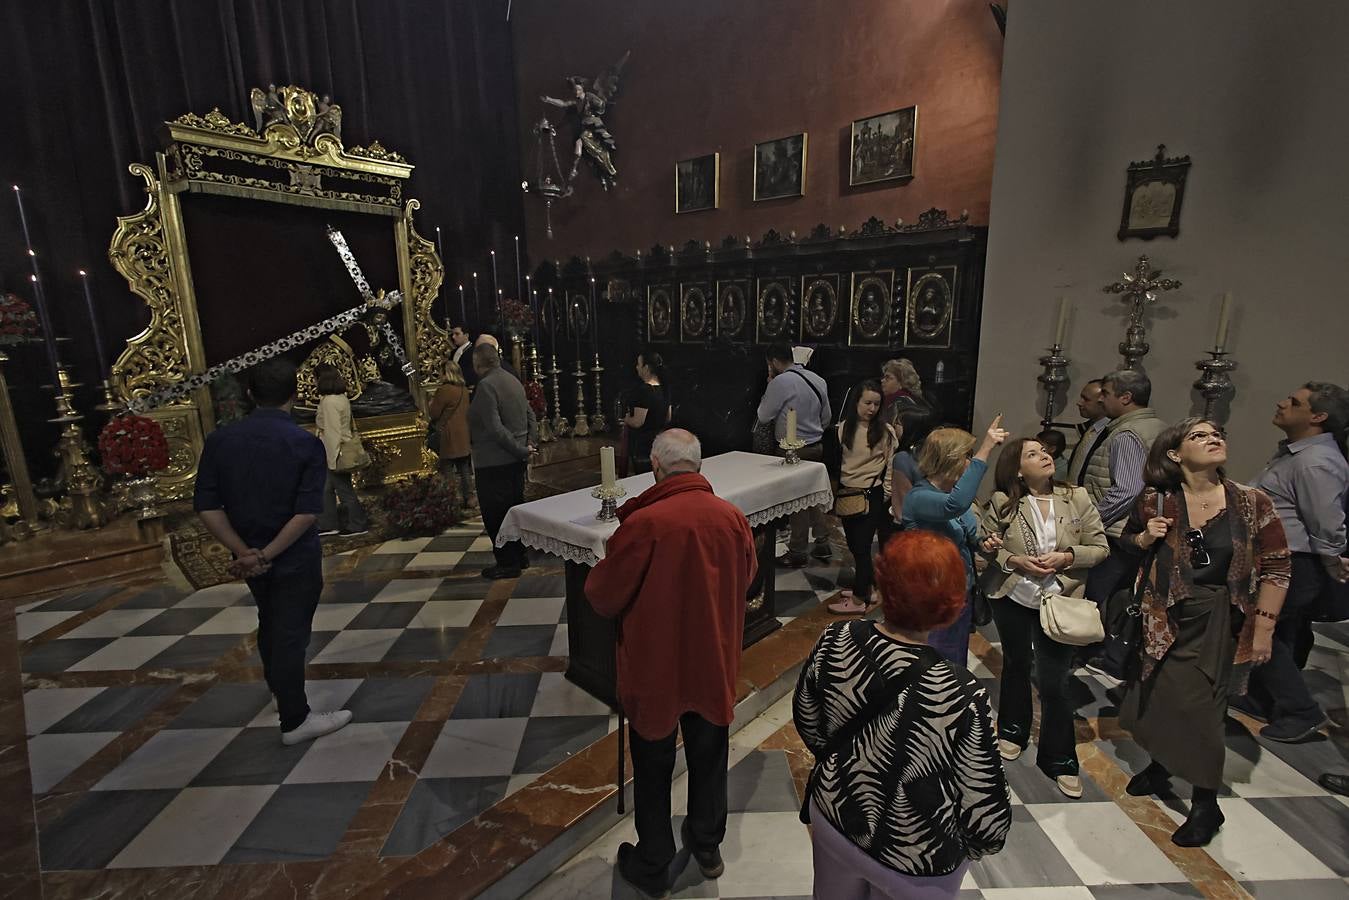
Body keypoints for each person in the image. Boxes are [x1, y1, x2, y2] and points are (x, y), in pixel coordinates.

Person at [585, 429, 758, 897]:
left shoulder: (645, 525)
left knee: (655, 761)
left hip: (657, 666)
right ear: (698, 467)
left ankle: (655, 857)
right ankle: (707, 846)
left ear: (657, 468)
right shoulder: (731, 517)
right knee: (709, 755)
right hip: (711, 660)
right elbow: (748, 578)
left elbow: (602, 597)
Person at [794, 530, 1011, 900]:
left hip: (834, 817)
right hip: (915, 857)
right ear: (954, 603)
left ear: (884, 583)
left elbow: (808, 721)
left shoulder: (835, 639)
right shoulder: (961, 692)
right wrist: (964, 851)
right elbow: (986, 813)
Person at [1118, 418, 1290, 847]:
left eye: (1217, 434)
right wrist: (1144, 538)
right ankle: (1162, 764)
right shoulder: (1157, 500)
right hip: (1164, 615)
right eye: (1199, 435)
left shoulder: (1252, 502)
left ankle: (1204, 802)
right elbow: (1127, 544)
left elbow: (1278, 566)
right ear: (1175, 454)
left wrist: (1265, 629)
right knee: (1155, 695)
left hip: (1221, 620)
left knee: (1203, 710)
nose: (1213, 439)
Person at [194, 358, 352, 745]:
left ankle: (280, 692)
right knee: (291, 631)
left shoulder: (220, 440)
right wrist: (267, 554)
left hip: (248, 550)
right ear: (294, 395)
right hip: (292, 554)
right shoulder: (303, 444)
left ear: (250, 394)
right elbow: (306, 512)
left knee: (271, 619)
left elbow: (207, 505)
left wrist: (244, 553)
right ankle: (296, 719)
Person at [979, 437, 1108, 798]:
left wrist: (1067, 558)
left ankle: (1060, 758)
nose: (1045, 456)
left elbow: (1100, 548)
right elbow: (988, 546)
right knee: (1017, 665)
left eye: (1045, 451)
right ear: (1019, 469)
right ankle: (1012, 730)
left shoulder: (1077, 497)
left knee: (1054, 681)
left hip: (1060, 602)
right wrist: (1012, 559)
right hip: (1014, 598)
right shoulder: (1005, 502)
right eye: (1033, 454)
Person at [1241, 382, 1349, 741]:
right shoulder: (1295, 453)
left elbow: (1325, 520)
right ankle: (1266, 698)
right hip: (1280, 557)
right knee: (1283, 633)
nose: (1281, 402)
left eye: (1294, 402)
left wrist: (1332, 562)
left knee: (1262, 631)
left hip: (1292, 561)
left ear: (1317, 416)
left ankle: (1301, 711)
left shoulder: (1316, 462)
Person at [901, 416, 1009, 664]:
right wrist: (986, 448)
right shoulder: (919, 497)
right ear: (950, 458)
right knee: (933, 664)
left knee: (954, 659)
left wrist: (985, 542)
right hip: (933, 596)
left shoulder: (953, 493)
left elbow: (971, 537)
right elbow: (954, 506)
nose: (970, 462)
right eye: (967, 456)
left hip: (961, 591)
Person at [1083, 370, 1168, 683]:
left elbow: (1128, 488)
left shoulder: (1128, 433)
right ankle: (1117, 654)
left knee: (1096, 594)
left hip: (1119, 531)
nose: (1100, 398)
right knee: (1125, 595)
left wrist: (1092, 521)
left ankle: (1103, 655)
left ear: (1126, 397)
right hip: (1137, 529)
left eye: (1105, 392)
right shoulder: (1157, 427)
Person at [828, 380, 900, 615]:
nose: (872, 408)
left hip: (872, 494)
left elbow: (891, 465)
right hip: (848, 493)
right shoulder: (843, 428)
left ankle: (859, 600)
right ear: (856, 402)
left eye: (877, 404)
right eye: (867, 403)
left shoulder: (884, 431)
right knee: (853, 544)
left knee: (862, 547)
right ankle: (867, 588)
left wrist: (886, 492)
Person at [757, 342, 832, 566]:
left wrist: (769, 385)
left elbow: (763, 416)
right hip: (816, 446)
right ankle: (822, 541)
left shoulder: (780, 382)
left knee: (796, 499)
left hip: (792, 448)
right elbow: (826, 417)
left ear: (773, 362)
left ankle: (798, 550)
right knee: (811, 494)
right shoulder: (817, 379)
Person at [469, 343, 537, 579]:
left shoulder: (486, 386)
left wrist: (520, 450)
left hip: (494, 461)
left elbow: (495, 429)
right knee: (513, 509)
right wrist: (530, 444)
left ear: (477, 364)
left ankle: (507, 563)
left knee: (496, 514)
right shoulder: (512, 380)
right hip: (514, 459)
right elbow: (531, 415)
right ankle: (520, 556)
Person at [313, 365, 369, 538]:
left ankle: (357, 524)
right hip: (337, 449)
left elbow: (332, 433)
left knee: (344, 491)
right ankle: (328, 523)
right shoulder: (341, 398)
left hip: (335, 452)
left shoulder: (329, 402)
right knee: (326, 489)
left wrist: (331, 458)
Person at [429, 358, 476, 512]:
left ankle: (452, 500)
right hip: (463, 434)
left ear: (445, 373)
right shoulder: (463, 390)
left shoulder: (444, 390)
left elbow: (434, 413)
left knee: (448, 469)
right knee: (464, 469)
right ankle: (469, 498)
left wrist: (430, 404)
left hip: (448, 435)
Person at [623, 350, 671, 474]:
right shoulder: (664, 389)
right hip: (659, 442)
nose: (637, 367)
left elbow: (638, 422)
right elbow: (668, 418)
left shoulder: (644, 391)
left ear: (646, 368)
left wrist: (626, 419)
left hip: (642, 445)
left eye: (639, 364)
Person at [1065, 378, 1108, 485]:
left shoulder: (1111, 432)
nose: (1079, 403)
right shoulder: (1089, 428)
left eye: (1086, 399)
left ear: (1103, 402)